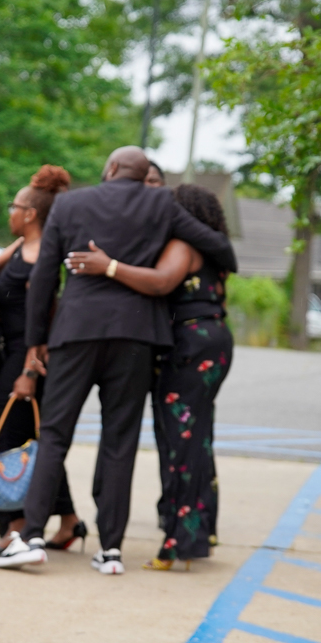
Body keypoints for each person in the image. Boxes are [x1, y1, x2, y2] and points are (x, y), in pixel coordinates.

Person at [0, 146, 236, 575]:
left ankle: (31, 536)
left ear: (109, 170)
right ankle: (110, 550)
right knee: (119, 441)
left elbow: (44, 276)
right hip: (138, 337)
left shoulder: (70, 204)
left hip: (76, 332)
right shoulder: (163, 204)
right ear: (145, 176)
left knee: (54, 434)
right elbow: (220, 248)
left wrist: (36, 342)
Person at [65, 184, 235, 570]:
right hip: (212, 340)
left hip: (190, 345)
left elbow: (161, 282)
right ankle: (198, 531)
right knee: (197, 438)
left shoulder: (182, 246)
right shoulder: (214, 251)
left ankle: (179, 542)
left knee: (180, 443)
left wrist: (108, 266)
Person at [0, 165, 82, 555]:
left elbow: (41, 314)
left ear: (29, 213)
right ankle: (70, 519)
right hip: (13, 352)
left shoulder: (42, 255)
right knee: (38, 441)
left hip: (28, 358)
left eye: (15, 206)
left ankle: (19, 525)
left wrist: (27, 370)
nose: (9, 211)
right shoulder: (27, 248)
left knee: (9, 435)